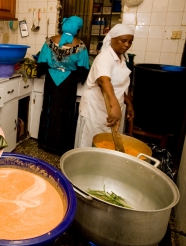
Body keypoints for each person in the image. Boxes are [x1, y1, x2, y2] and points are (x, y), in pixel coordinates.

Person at [75, 24, 135, 148]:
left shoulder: (122, 58)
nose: (127, 45)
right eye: (123, 40)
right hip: (96, 109)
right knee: (91, 140)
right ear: (112, 39)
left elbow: (118, 85)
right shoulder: (104, 57)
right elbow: (104, 81)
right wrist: (115, 106)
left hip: (112, 106)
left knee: (108, 143)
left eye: (130, 41)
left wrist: (127, 103)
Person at [36, 16, 90, 154]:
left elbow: (41, 62)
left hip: (51, 82)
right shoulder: (81, 46)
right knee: (66, 113)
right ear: (77, 28)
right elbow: (83, 68)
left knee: (48, 110)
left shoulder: (49, 42)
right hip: (68, 83)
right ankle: (61, 147)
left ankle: (45, 143)